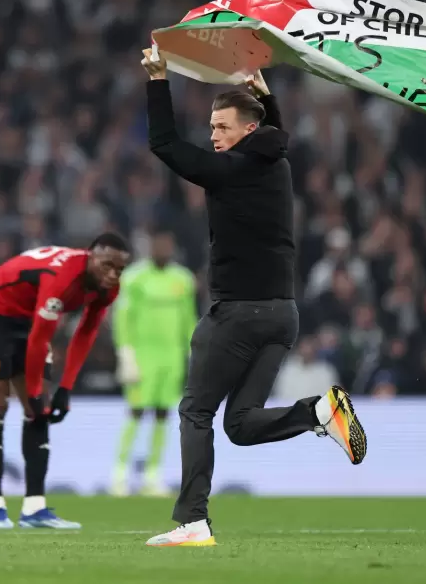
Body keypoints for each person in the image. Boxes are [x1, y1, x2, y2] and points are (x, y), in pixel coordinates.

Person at [140, 48, 367, 547]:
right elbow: (276, 132)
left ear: (247, 130)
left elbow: (163, 142)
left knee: (195, 412)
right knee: (240, 424)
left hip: (238, 314)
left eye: (222, 127)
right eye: (212, 127)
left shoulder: (231, 169)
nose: (213, 137)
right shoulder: (277, 163)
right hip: (282, 315)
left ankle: (193, 521)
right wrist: (265, 95)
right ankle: (317, 413)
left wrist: (158, 78)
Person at [0, 234, 130, 529]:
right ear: (91, 256)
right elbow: (39, 339)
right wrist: (32, 390)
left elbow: (86, 333)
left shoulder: (108, 288)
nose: (112, 275)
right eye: (107, 265)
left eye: (119, 269)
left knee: (38, 408)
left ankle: (34, 508)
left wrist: (66, 388)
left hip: (31, 316)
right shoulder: (63, 279)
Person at [110, 229, 198, 497]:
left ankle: (152, 475)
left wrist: (194, 352)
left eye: (167, 245)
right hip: (142, 355)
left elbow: (189, 319)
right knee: (136, 411)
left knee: (163, 413)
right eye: (158, 245)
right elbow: (123, 317)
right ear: (150, 247)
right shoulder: (134, 277)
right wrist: (125, 352)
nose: (163, 249)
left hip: (172, 357)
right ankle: (120, 474)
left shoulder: (183, 279)